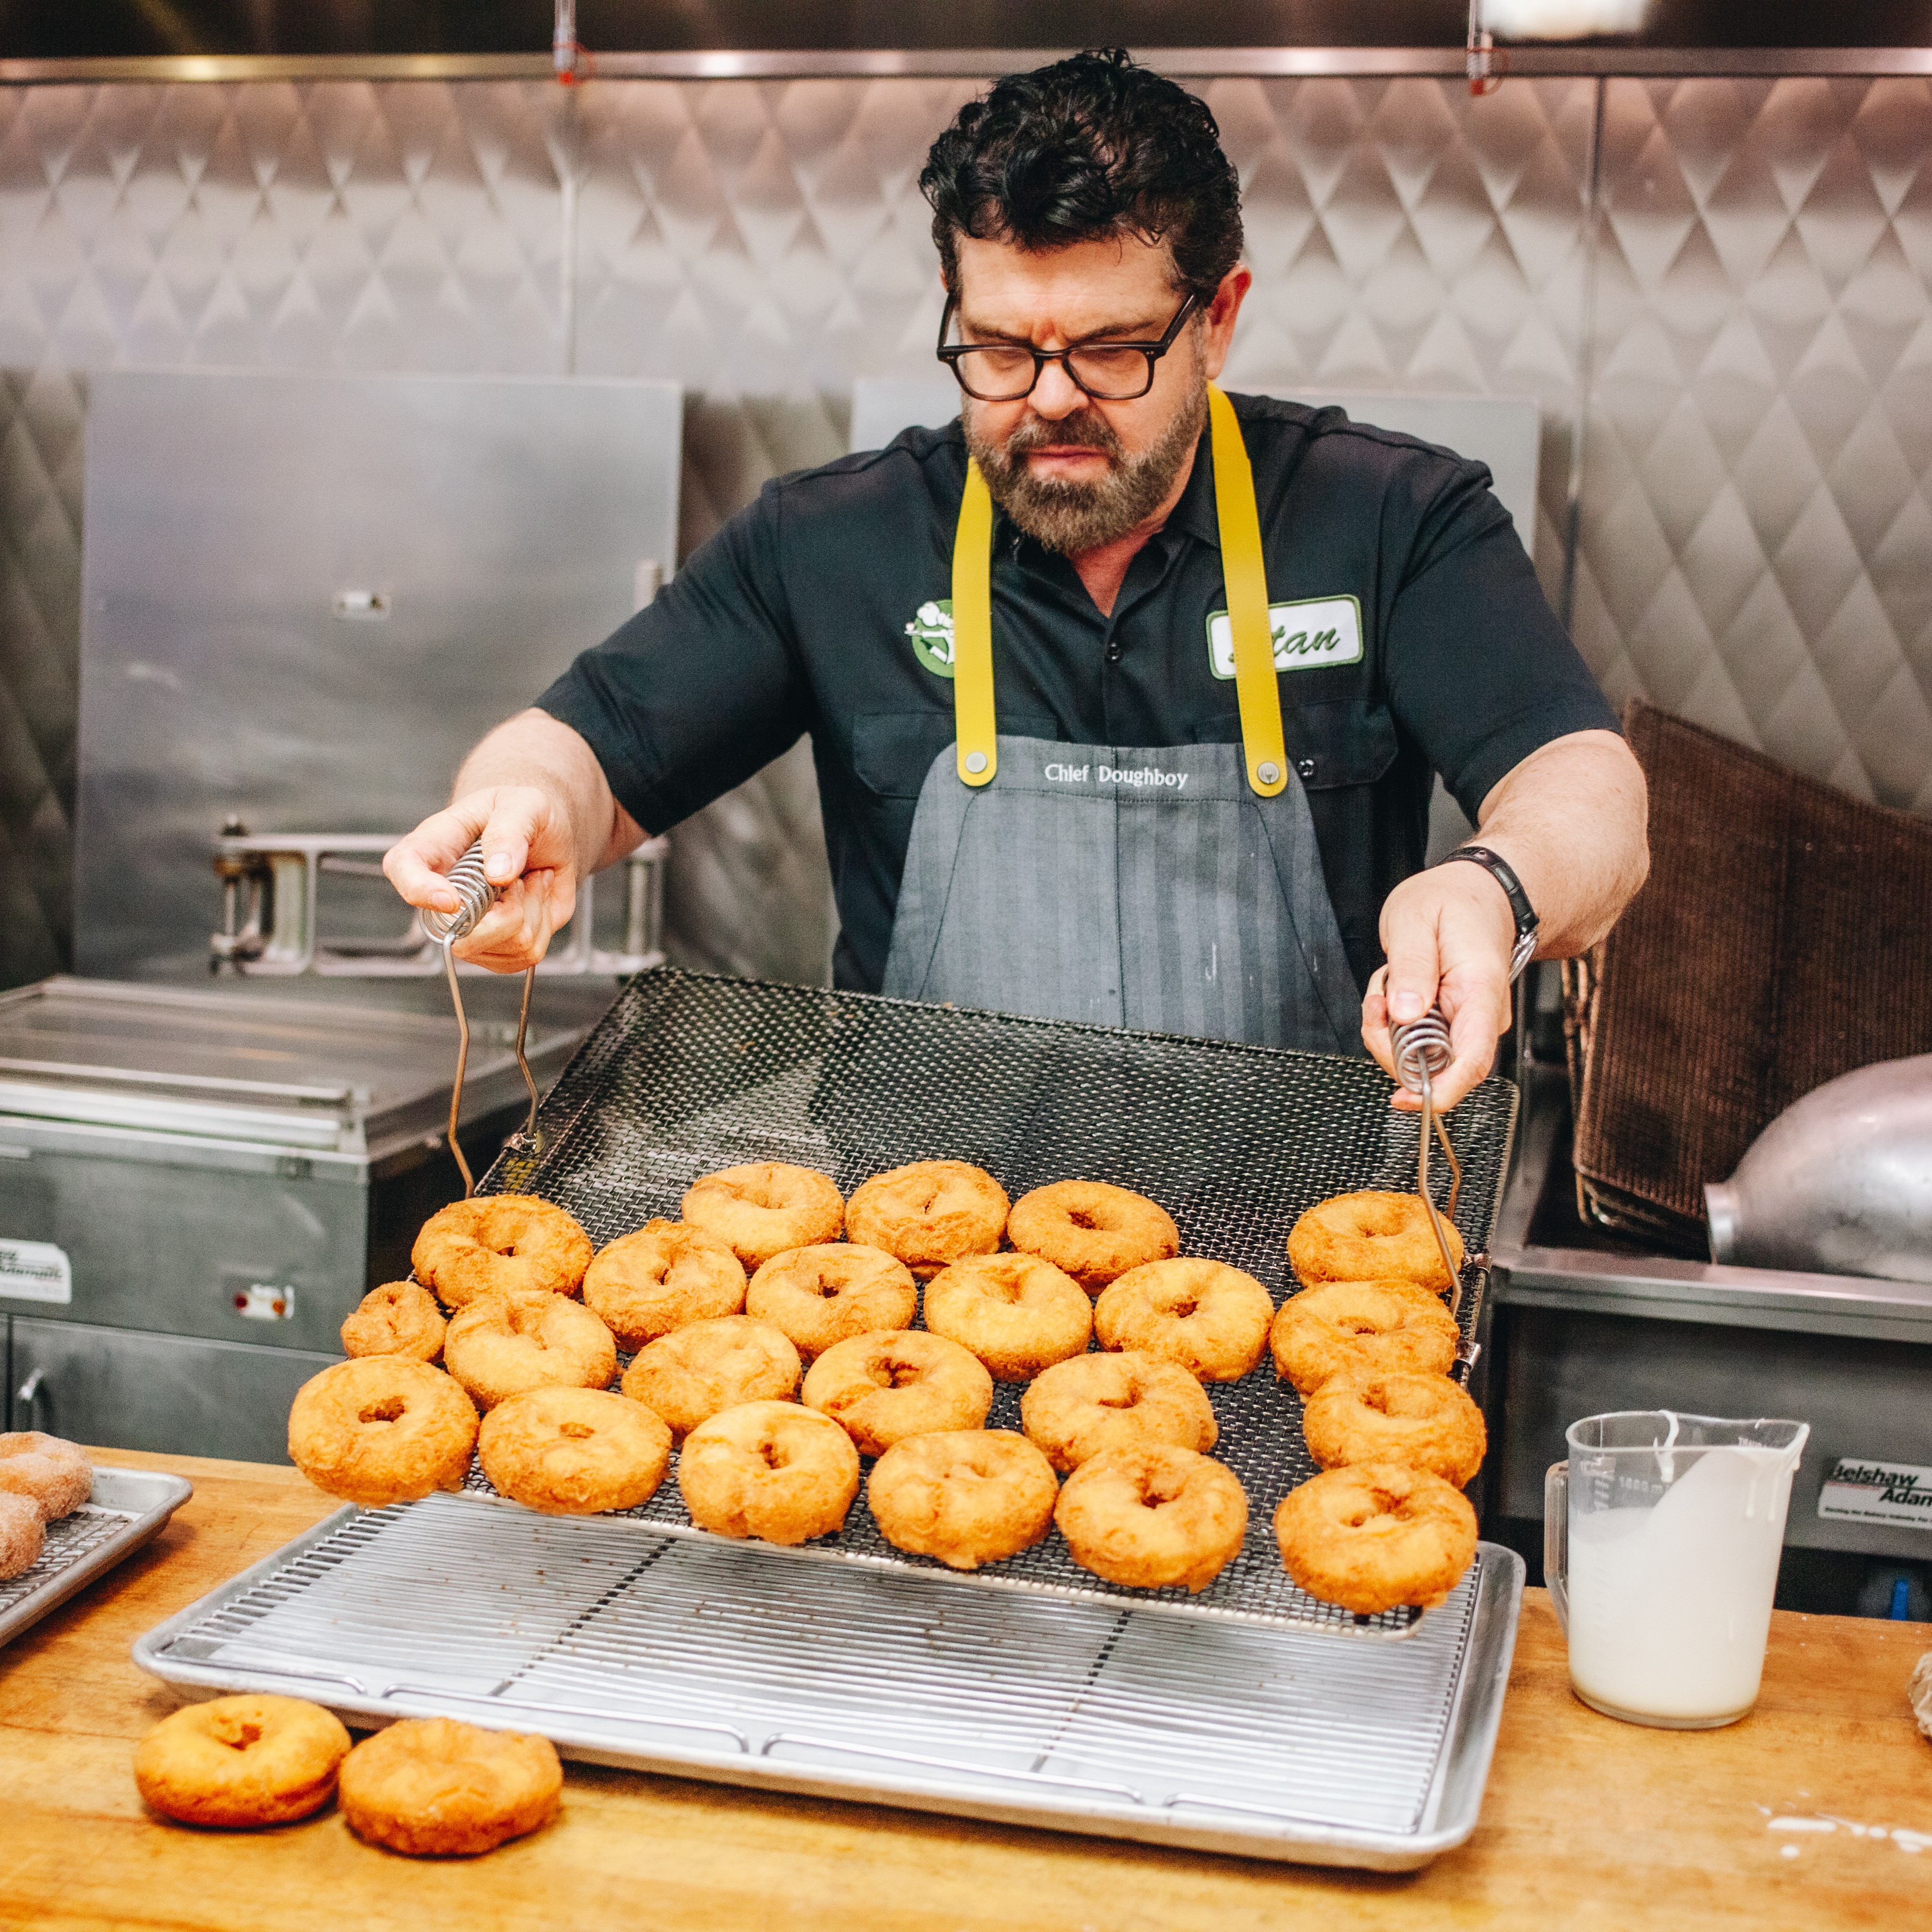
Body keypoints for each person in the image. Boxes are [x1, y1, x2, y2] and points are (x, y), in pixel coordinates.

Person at [384, 48, 1647, 1113]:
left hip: (1291, 1277)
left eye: (1108, 352)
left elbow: (1586, 788)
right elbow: (587, 757)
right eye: (997, 348)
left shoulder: (1393, 520)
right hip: (911, 1300)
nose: (1049, 400)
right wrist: (521, 810)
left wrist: (1496, 889)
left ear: (1218, 317)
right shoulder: (833, 541)